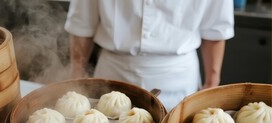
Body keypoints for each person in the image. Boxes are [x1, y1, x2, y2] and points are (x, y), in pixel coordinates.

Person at [64, 0, 235, 111]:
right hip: (113, 74)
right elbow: (82, 24)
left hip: (178, 80)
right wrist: (76, 77)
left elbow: (216, 29)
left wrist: (211, 84)